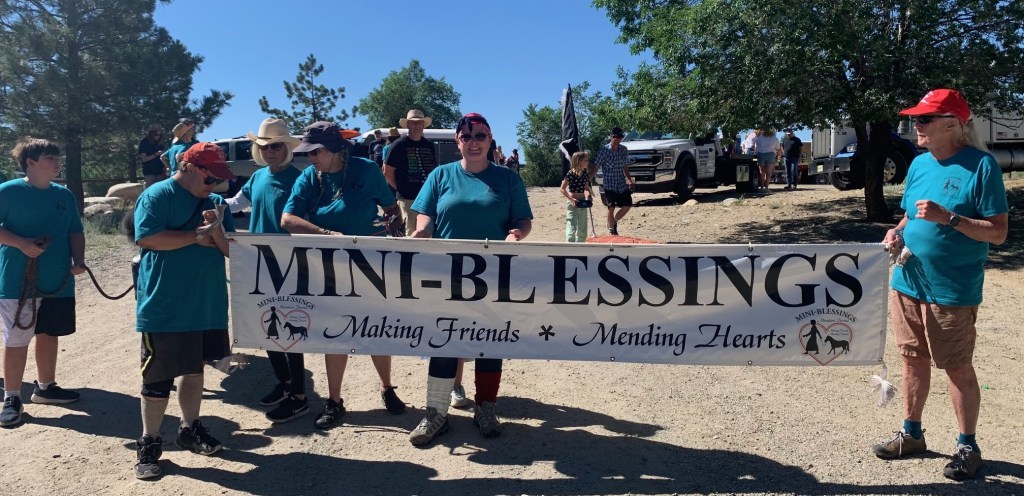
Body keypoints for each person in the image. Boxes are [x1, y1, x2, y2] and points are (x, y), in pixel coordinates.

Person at [872, 89, 1008, 481]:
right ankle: (911, 434)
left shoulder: (981, 166)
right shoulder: (918, 164)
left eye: (925, 119)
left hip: (951, 289)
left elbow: (998, 233)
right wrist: (895, 233)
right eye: (915, 118)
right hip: (908, 281)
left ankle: (968, 446)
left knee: (956, 366)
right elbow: (908, 218)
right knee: (912, 359)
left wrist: (950, 218)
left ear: (952, 124)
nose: (916, 125)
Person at [407, 112, 533, 446]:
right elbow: (426, 214)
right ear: (457, 141)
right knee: (443, 340)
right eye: (466, 137)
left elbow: (523, 219)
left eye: (480, 136)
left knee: (489, 341)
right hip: (446, 275)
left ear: (490, 139)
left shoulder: (507, 179)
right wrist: (422, 231)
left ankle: (486, 408)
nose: (473, 142)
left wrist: (516, 234)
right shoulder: (441, 175)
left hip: (493, 275)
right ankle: (436, 412)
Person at [281, 121, 406, 430]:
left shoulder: (366, 170)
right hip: (328, 267)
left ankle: (387, 388)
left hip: (370, 263)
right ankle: (334, 400)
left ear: (337, 149)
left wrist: (393, 227)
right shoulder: (309, 177)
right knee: (334, 331)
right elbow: (288, 219)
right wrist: (327, 234)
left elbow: (391, 208)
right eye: (308, 153)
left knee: (376, 327)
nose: (310, 158)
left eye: (316, 152)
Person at [131, 141, 236, 479]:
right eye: (210, 178)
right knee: (158, 377)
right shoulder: (157, 195)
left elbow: (230, 250)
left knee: (194, 369)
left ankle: (190, 428)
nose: (215, 185)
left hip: (206, 302)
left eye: (219, 179)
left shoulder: (216, 203)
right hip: (166, 304)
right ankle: (149, 440)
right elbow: (148, 238)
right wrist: (195, 236)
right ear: (188, 166)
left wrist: (214, 231)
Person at [223, 118, 309, 424]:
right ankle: (285, 383)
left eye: (276, 146)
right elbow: (236, 203)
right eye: (265, 147)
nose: (270, 152)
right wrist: (206, 201)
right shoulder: (258, 177)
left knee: (291, 326)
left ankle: (299, 395)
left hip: (288, 261)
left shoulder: (300, 179)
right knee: (267, 326)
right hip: (258, 259)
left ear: (286, 148)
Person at [0, 138, 86, 428]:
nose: (58, 162)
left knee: (49, 333)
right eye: (51, 158)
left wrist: (79, 259)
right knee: (17, 339)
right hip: (17, 281)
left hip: (58, 280)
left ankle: (46, 387)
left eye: (57, 157)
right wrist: (21, 243)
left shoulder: (64, 195)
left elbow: (75, 231)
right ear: (31, 163)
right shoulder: (8, 192)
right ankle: (12, 397)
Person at [383, 109, 438, 236]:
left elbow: (433, 169)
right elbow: (387, 170)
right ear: (408, 124)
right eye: (413, 123)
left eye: (420, 122)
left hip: (427, 197)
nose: (417, 126)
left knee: (428, 231)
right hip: (408, 198)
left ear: (423, 125)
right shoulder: (399, 144)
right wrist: (400, 188)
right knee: (412, 232)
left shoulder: (429, 145)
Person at [594, 126, 633, 236]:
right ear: (611, 137)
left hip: (621, 184)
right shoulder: (604, 150)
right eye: (616, 137)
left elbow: (625, 166)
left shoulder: (624, 149)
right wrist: (588, 179)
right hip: (609, 184)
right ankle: (611, 230)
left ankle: (614, 221)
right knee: (611, 207)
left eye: (620, 137)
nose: (618, 139)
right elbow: (596, 166)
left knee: (627, 205)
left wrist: (629, 180)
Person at [560, 150, 594, 242]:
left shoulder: (585, 174)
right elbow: (562, 189)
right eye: (586, 160)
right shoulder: (570, 174)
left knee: (582, 228)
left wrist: (589, 196)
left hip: (582, 202)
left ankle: (581, 244)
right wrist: (571, 199)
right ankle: (570, 243)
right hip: (573, 202)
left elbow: (586, 187)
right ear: (579, 161)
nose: (588, 162)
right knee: (571, 224)